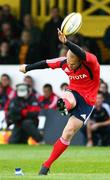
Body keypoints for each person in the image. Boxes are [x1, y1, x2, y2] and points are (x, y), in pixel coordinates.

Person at [19, 29, 100, 175]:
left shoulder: (92, 62)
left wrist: (67, 42)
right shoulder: (65, 62)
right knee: (68, 97)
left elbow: (81, 53)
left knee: (68, 133)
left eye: (73, 64)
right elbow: (45, 63)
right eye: (68, 62)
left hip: (88, 102)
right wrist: (27, 68)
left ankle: (46, 165)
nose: (69, 66)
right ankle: (65, 105)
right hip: (73, 93)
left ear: (81, 60)